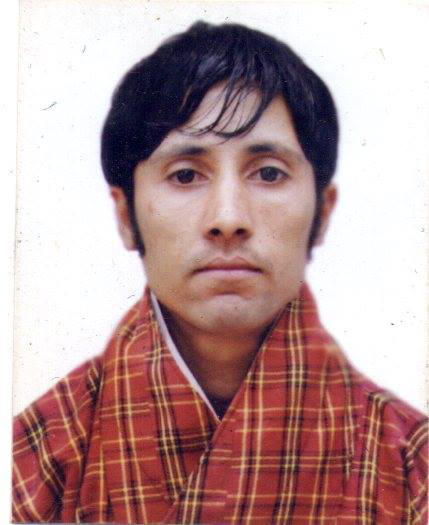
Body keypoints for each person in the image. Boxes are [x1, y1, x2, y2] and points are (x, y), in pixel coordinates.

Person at [12, 21, 427, 524]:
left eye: (269, 173)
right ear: (125, 215)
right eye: (186, 175)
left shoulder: (412, 467)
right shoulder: (34, 461)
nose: (228, 218)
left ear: (323, 212)